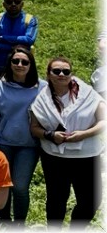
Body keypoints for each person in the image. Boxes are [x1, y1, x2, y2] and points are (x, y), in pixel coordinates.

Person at [29, 56, 105, 226]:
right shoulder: (42, 98)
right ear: (48, 75)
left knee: (91, 201)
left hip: (87, 155)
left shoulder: (88, 94)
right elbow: (34, 127)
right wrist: (51, 135)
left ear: (71, 74)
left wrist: (84, 134)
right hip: (54, 157)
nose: (61, 74)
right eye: (56, 71)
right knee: (56, 201)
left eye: (66, 71)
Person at [0, 45, 42, 225]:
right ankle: (4, 221)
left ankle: (19, 224)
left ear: (31, 65)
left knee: (20, 187)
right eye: (15, 61)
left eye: (24, 62)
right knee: (2, 186)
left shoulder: (42, 87)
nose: (19, 64)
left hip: (29, 145)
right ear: (9, 63)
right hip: (3, 144)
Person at [0, 0, 39, 80]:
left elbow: (29, 40)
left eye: (17, 1)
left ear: (22, 4)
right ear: (4, 4)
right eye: (9, 2)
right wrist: (12, 48)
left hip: (21, 67)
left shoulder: (30, 20)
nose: (13, 4)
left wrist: (3, 38)